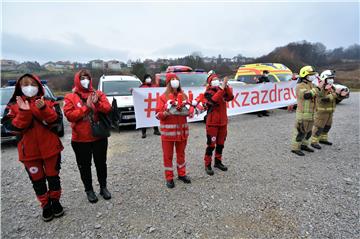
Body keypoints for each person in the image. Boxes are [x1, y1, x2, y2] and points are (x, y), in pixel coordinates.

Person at [1, 74, 64, 222]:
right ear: (19, 88)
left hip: (50, 149)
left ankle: (55, 202)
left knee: (53, 178)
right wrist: (24, 112)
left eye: (32, 84)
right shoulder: (13, 106)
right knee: (38, 181)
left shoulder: (49, 102)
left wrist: (43, 110)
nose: (29, 88)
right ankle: (45, 205)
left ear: (38, 86)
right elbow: (11, 128)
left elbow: (57, 121)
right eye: (25, 85)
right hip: (29, 153)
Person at [64, 70, 112, 203]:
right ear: (77, 80)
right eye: (82, 78)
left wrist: (97, 104)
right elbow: (69, 116)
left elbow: (107, 108)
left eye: (87, 78)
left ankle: (103, 187)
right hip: (80, 139)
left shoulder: (98, 93)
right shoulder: (70, 97)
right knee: (84, 166)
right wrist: (87, 108)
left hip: (99, 137)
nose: (85, 80)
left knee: (101, 164)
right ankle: (89, 190)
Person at [155, 73, 193, 188]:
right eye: (172, 79)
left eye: (176, 79)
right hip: (168, 134)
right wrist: (165, 113)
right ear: (168, 83)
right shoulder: (162, 97)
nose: (175, 81)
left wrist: (192, 112)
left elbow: (189, 109)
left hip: (182, 132)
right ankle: (169, 177)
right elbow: (157, 114)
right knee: (168, 156)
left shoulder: (184, 96)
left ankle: (182, 174)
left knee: (181, 154)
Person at [203, 72, 234, 175]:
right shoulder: (208, 92)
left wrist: (227, 86)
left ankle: (218, 162)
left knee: (220, 144)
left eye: (217, 79)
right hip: (212, 123)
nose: (216, 81)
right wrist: (222, 88)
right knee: (211, 145)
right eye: (213, 79)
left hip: (223, 122)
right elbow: (213, 100)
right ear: (210, 82)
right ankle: (207, 164)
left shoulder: (222, 90)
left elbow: (230, 97)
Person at [310, 70, 349, 149]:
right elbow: (323, 99)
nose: (332, 80)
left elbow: (336, 97)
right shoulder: (320, 87)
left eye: (332, 78)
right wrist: (336, 94)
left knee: (328, 126)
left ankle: (323, 139)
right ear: (324, 78)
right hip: (322, 112)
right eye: (330, 78)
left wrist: (342, 95)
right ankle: (314, 141)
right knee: (319, 127)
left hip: (330, 111)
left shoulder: (332, 87)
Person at [291, 66, 324, 156]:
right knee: (300, 131)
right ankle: (295, 148)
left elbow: (320, 94)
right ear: (305, 75)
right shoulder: (299, 86)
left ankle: (304, 145)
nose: (313, 76)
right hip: (302, 114)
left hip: (311, 113)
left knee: (308, 132)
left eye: (313, 75)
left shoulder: (312, 85)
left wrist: (323, 86)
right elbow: (307, 95)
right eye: (311, 75)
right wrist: (318, 88)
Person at [139, 74, 161, 138]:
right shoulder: (141, 87)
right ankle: (143, 133)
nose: (149, 79)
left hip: (153, 104)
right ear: (144, 79)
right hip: (145, 105)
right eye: (147, 78)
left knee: (154, 117)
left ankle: (156, 130)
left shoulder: (154, 86)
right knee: (145, 118)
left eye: (149, 77)